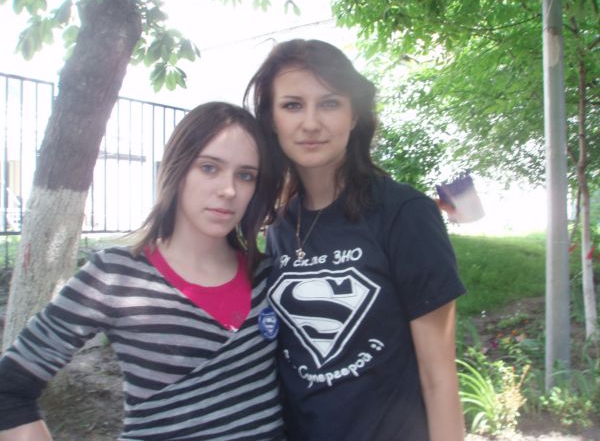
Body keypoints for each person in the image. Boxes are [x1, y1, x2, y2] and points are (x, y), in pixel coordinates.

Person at [0, 102, 284, 441]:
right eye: (209, 167)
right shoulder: (115, 275)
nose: (229, 190)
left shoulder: (269, 276)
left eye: (246, 175)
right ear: (177, 170)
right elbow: (8, 390)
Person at [244, 39, 466, 441]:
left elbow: (439, 379)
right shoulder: (280, 225)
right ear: (271, 120)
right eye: (292, 105)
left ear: (354, 115)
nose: (311, 123)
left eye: (329, 103)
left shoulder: (405, 213)